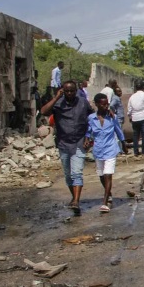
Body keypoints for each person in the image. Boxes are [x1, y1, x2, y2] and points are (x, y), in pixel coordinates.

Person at [39, 80, 93, 215]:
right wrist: (57, 97)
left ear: (76, 91)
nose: (69, 93)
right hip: (63, 143)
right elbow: (44, 111)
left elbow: (92, 118)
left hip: (79, 142)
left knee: (77, 173)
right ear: (63, 91)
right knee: (68, 175)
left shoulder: (83, 102)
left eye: (72, 91)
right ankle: (74, 198)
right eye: (67, 91)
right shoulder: (58, 103)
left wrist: (89, 136)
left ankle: (76, 201)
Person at [85, 93, 127, 213]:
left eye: (107, 104)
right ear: (97, 104)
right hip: (98, 150)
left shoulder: (112, 117)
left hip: (110, 149)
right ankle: (109, 193)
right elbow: (88, 132)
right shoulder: (91, 118)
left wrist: (123, 144)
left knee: (108, 174)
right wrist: (87, 140)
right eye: (103, 104)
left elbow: (118, 130)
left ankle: (104, 202)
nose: (105, 106)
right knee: (101, 175)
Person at [127, 81, 144, 156]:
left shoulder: (132, 97)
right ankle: (143, 151)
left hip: (135, 119)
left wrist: (130, 116)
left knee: (135, 135)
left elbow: (129, 109)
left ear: (136, 88)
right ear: (143, 88)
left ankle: (136, 152)